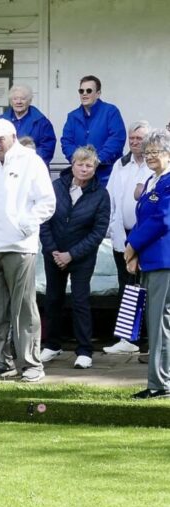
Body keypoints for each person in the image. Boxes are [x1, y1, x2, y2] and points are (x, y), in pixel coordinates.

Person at [0, 119, 56, 382]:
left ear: (13, 137)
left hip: (19, 246)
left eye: (0, 139)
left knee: (24, 309)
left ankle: (31, 364)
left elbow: (47, 202)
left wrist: (24, 226)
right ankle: (0, 362)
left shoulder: (31, 161)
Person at [38, 146, 110, 370]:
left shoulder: (101, 194)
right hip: (54, 254)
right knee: (52, 299)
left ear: (95, 167)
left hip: (81, 257)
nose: (84, 169)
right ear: (72, 163)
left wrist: (72, 254)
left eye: (89, 165)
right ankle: (52, 344)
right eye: (80, 164)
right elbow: (44, 219)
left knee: (80, 301)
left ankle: (84, 350)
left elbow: (98, 232)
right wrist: (53, 251)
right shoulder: (56, 186)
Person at [125, 129, 170, 399]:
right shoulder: (153, 180)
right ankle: (158, 381)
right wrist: (136, 254)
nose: (151, 156)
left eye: (157, 152)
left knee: (160, 323)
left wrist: (132, 246)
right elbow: (144, 219)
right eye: (148, 152)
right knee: (155, 323)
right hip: (150, 260)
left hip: (164, 261)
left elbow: (162, 219)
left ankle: (160, 385)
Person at [105, 121, 153, 355]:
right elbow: (111, 198)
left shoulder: (156, 165)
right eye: (132, 138)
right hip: (121, 235)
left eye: (139, 138)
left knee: (148, 286)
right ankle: (127, 338)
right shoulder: (120, 164)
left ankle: (148, 337)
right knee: (127, 287)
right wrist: (113, 229)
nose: (135, 142)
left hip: (146, 238)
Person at [60, 75, 126, 186]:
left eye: (89, 90)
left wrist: (97, 160)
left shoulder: (110, 111)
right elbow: (67, 142)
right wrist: (78, 162)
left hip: (107, 174)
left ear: (98, 93)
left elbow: (116, 139)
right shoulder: (72, 116)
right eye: (81, 91)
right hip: (81, 175)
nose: (84, 94)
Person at [0, 85, 57, 166]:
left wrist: (25, 157)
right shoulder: (1, 121)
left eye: (23, 99)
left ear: (29, 101)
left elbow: (47, 149)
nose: (19, 102)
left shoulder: (41, 122)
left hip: (33, 168)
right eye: (15, 99)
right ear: (11, 102)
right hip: (6, 167)